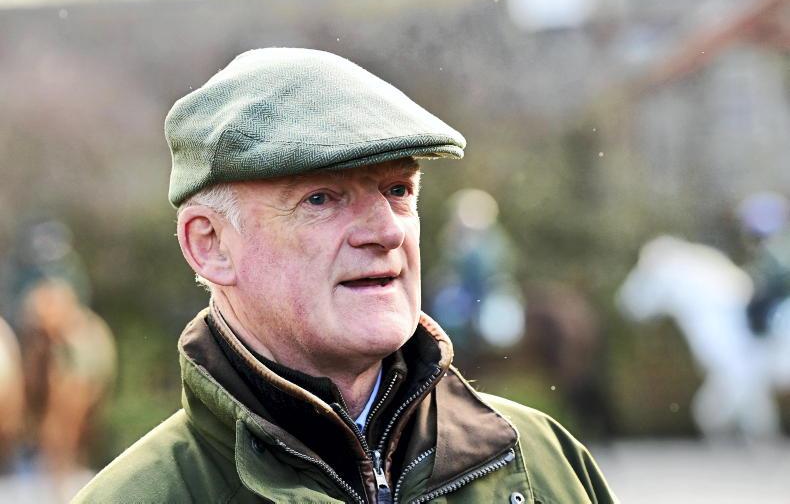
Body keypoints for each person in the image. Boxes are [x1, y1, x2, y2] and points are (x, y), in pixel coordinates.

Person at [74, 48, 616, 503]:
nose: (387, 231)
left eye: (398, 190)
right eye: (321, 198)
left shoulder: (547, 462)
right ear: (209, 244)